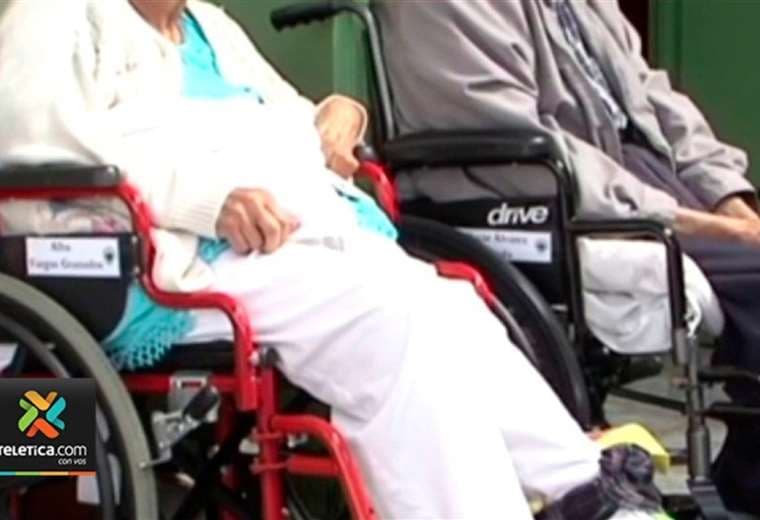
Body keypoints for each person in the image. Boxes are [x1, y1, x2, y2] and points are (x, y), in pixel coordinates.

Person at [0, 0, 662, 518]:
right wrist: (208, 199)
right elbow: (34, 152)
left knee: (449, 303)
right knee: (389, 320)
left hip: (283, 237)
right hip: (160, 263)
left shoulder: (209, 27)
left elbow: (289, 120)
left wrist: (338, 113)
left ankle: (590, 493)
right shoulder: (57, 15)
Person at [376, 0, 760, 514]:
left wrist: (727, 196)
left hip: (637, 174)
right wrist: (695, 220)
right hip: (540, 191)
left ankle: (745, 478)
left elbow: (652, 95)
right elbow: (509, 133)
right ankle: (747, 484)